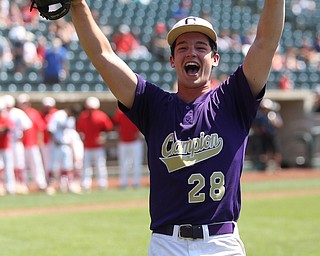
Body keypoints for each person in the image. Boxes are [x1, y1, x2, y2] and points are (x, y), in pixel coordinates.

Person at [70, 1, 285, 255]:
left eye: (200, 47)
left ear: (215, 59)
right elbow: (103, 57)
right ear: (172, 60)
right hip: (167, 243)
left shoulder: (234, 99)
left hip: (220, 242)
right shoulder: (154, 106)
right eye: (182, 47)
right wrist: (78, 5)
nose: (191, 52)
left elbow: (266, 42)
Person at [76, 97, 113, 192]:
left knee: (100, 166)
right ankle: (85, 184)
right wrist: (82, 138)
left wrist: (104, 137)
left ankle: (102, 184)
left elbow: (108, 129)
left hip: (98, 147)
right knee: (86, 166)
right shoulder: (83, 116)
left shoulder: (101, 116)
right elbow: (79, 129)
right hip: (87, 146)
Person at [46, 104, 83, 195]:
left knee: (67, 166)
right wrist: (54, 141)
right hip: (57, 145)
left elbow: (70, 133)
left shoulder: (71, 119)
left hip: (67, 145)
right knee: (54, 166)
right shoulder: (58, 115)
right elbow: (50, 129)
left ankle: (67, 186)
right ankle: (51, 186)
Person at [17, 93, 48, 192]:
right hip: (20, 145)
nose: (24, 105)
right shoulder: (16, 113)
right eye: (22, 103)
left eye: (26, 103)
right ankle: (24, 185)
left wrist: (40, 140)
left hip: (32, 143)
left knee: (36, 164)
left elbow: (40, 128)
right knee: (22, 166)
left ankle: (41, 184)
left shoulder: (34, 112)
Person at [3, 94, 33, 194]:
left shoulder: (18, 113)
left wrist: (21, 138)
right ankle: (9, 185)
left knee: (19, 163)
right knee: (7, 165)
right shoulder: (3, 114)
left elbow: (27, 126)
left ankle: (21, 183)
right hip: (5, 143)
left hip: (16, 142)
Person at [112, 108, 144, 189]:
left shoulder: (137, 109)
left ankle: (136, 182)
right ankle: (124, 183)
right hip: (123, 142)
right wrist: (119, 134)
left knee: (136, 163)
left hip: (135, 141)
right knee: (123, 163)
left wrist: (139, 132)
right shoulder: (119, 112)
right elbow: (116, 124)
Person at [0, 98, 15, 196]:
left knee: (9, 168)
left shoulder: (6, 118)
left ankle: (10, 188)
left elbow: (7, 129)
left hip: (5, 147)